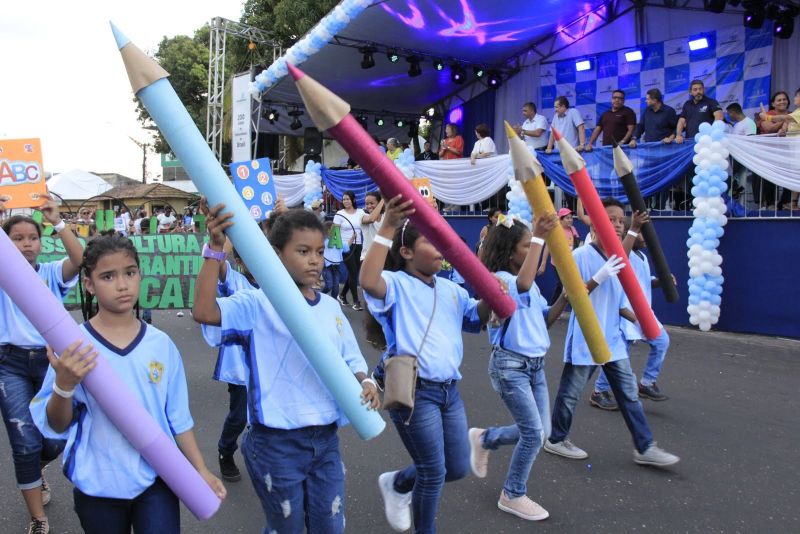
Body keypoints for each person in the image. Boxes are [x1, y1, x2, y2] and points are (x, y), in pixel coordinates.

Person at [192, 206, 379, 534]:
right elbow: (204, 311)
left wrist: (366, 383)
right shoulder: (256, 304)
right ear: (276, 254)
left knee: (330, 528)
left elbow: (352, 360)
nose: (314, 260)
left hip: (325, 441)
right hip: (274, 444)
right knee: (286, 529)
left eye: (320, 252)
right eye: (303, 251)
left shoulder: (331, 307)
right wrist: (215, 250)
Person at [30, 233, 226, 534]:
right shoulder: (74, 347)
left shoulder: (161, 344)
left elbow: (177, 418)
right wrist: (64, 384)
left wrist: (200, 469)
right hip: (98, 484)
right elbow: (56, 425)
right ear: (89, 285)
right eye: (108, 276)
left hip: (157, 476)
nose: (122, 284)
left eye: (130, 272)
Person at [360, 194, 501, 533]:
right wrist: (389, 225)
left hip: (450, 393)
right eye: (430, 241)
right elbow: (368, 280)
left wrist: (490, 294)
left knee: (455, 467)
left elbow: (475, 319)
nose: (440, 247)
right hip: (415, 392)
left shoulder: (452, 290)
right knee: (433, 471)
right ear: (406, 252)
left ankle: (396, 483)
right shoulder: (397, 284)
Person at [544, 198, 680, 468]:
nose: (618, 225)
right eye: (611, 219)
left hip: (613, 340)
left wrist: (640, 321)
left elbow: (619, 303)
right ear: (594, 222)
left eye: (621, 220)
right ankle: (557, 439)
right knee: (570, 394)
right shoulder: (580, 256)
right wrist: (600, 276)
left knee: (629, 394)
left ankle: (644, 447)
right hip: (587, 338)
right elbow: (572, 296)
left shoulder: (621, 258)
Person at [468, 214, 568, 522]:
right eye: (527, 245)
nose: (532, 249)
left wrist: (566, 296)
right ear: (512, 252)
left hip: (534, 367)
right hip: (510, 365)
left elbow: (545, 319)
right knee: (533, 433)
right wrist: (540, 234)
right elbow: (523, 282)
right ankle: (512, 493)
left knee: (541, 432)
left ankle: (485, 439)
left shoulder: (530, 287)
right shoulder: (503, 281)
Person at [0, 195, 82, 534]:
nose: (26, 244)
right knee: (24, 443)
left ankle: (38, 468)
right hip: (9, 365)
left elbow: (81, 260)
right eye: (16, 238)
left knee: (54, 440)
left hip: (52, 364)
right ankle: (37, 518)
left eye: (32, 237)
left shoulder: (49, 272)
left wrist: (58, 222)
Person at [591, 230, 674, 410]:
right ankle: (599, 391)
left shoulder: (642, 256)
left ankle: (646, 383)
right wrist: (633, 229)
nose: (646, 238)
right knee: (619, 354)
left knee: (662, 341)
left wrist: (661, 281)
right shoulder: (624, 254)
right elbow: (621, 258)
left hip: (644, 311)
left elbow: (644, 280)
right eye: (641, 233)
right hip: (627, 311)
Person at [759, 88, 800, 209]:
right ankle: (779, 204)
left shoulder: (793, 114)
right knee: (787, 176)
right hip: (774, 151)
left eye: (796, 96)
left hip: (793, 151)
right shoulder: (794, 113)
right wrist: (782, 126)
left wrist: (767, 117)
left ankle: (789, 203)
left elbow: (785, 119)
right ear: (773, 103)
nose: (793, 99)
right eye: (779, 100)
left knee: (795, 176)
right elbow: (770, 129)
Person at [537, 207, 582, 304]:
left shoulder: (573, 229)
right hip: (558, 263)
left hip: (569, 262)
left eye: (571, 217)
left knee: (560, 285)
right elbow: (548, 247)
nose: (570, 220)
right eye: (567, 218)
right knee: (564, 284)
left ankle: (552, 306)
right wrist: (543, 263)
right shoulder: (556, 231)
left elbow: (577, 242)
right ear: (560, 220)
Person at [333, 191, 366, 310]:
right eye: (344, 199)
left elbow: (369, 221)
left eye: (347, 199)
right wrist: (337, 247)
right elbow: (334, 233)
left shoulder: (361, 212)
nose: (345, 201)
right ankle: (356, 302)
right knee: (353, 272)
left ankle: (342, 295)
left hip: (359, 245)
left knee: (354, 272)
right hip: (345, 246)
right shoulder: (339, 214)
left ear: (353, 200)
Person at [726, 103, 757, 198]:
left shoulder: (749, 122)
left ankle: (736, 194)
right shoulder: (737, 125)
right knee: (728, 178)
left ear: (733, 112)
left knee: (733, 180)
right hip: (734, 156)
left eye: (728, 113)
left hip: (742, 157)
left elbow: (751, 141)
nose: (728, 116)